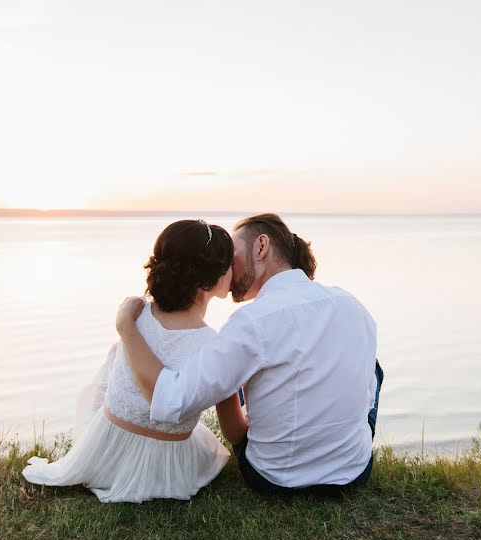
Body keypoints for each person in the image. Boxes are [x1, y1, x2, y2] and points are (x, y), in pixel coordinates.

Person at [116, 213, 381, 494]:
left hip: (275, 479)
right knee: (372, 369)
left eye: (232, 253)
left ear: (261, 247)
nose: (225, 267)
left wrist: (126, 327)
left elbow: (169, 399)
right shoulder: (352, 304)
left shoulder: (252, 321)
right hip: (353, 472)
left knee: (242, 374)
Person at [22, 219, 244, 502]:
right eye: (227, 263)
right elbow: (234, 430)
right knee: (207, 444)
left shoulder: (136, 314)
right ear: (206, 280)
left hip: (104, 453)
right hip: (166, 470)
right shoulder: (213, 345)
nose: (232, 269)